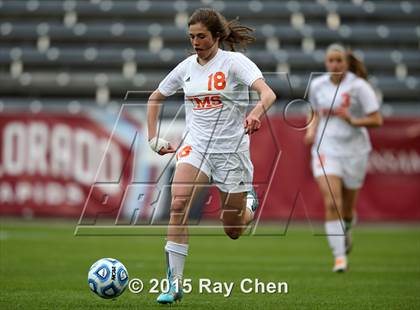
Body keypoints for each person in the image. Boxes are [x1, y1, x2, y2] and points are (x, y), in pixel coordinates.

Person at [147, 8, 276, 304]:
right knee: (178, 203)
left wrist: (256, 113)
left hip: (231, 152)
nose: (195, 42)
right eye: (191, 36)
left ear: (216, 35)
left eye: (201, 36)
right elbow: (156, 97)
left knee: (232, 229)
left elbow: (268, 94)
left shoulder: (234, 63)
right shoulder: (186, 68)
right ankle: (174, 285)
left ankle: (249, 204)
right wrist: (153, 137)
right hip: (196, 146)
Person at [304, 43, 383, 272]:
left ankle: (346, 228)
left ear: (347, 63)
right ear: (326, 63)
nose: (335, 64)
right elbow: (314, 111)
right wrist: (310, 130)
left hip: (354, 151)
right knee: (332, 203)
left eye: (339, 60)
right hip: (325, 148)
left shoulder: (359, 87)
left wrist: (353, 120)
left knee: (347, 210)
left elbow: (377, 120)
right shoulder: (318, 85)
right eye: (331, 60)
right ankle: (340, 258)